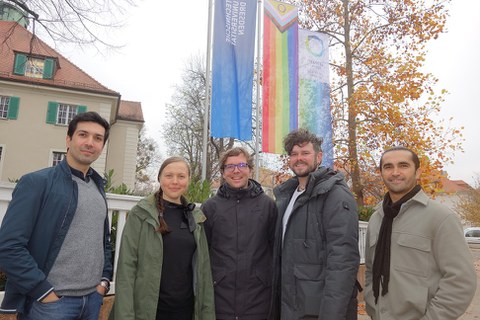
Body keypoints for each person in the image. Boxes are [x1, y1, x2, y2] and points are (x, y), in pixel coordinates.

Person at [0, 111, 112, 319]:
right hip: (51, 304)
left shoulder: (97, 187)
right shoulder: (36, 183)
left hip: (92, 300)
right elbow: (8, 246)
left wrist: (104, 281)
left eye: (98, 138)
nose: (90, 142)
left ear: (102, 146)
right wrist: (44, 292)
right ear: (68, 139)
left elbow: (103, 241)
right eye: (83, 135)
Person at [364, 146, 477, 319]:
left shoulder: (441, 218)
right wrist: (371, 305)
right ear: (381, 173)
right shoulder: (376, 218)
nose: (395, 172)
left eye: (403, 165)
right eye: (388, 167)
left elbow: (461, 281)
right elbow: (371, 270)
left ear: (417, 172)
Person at [271, 128, 359, 320]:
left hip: (317, 310)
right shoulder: (286, 197)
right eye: (294, 154)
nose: (298, 158)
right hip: (290, 305)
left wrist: (331, 315)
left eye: (305, 153)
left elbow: (342, 262)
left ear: (319, 157)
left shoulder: (335, 196)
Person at [112, 156, 215, 320]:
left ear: (188, 180)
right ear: (159, 178)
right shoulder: (141, 214)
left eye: (181, 176)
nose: (175, 181)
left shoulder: (196, 218)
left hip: (186, 312)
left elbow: (203, 272)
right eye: (169, 176)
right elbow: (126, 268)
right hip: (149, 312)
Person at [201, 147, 277, 320]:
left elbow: (275, 250)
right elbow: (204, 253)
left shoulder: (268, 206)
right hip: (220, 300)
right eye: (229, 166)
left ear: (250, 169)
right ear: (222, 172)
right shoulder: (210, 208)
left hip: (258, 301)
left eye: (242, 165)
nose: (236, 171)